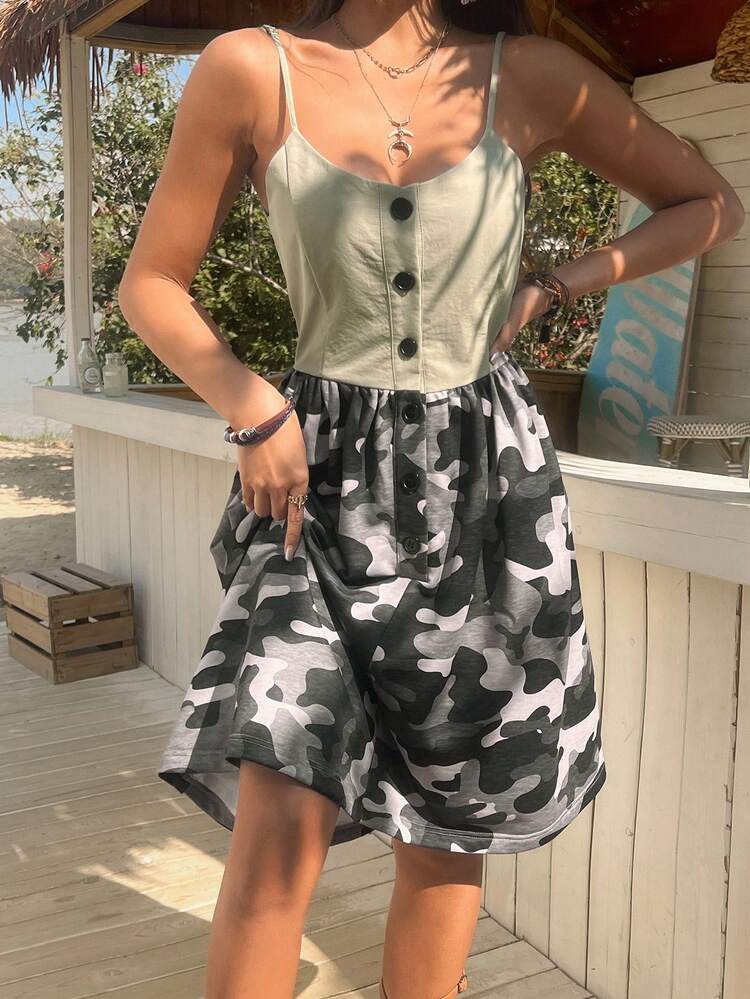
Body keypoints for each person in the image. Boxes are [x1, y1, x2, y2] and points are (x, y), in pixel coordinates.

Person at [117, 1, 744, 996]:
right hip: (315, 492)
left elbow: (709, 205)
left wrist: (556, 284)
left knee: (452, 829)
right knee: (277, 830)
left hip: (488, 498)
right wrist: (250, 403)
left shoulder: (528, 73)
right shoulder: (253, 69)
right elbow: (151, 280)